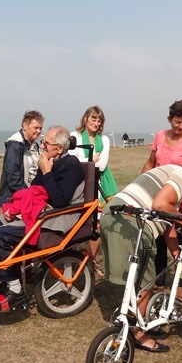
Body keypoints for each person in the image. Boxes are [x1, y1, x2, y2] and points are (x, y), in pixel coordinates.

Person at [101, 159, 182, 352]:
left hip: (113, 213)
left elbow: (168, 226)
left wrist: (177, 254)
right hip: (131, 222)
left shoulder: (167, 174)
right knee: (146, 282)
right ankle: (136, 333)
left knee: (134, 278)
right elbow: (160, 204)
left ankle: (130, 318)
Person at [0, 126, 85, 312]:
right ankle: (7, 280)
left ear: (60, 149)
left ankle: (15, 288)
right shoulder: (48, 160)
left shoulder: (72, 166)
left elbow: (60, 200)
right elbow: (35, 191)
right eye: (43, 142)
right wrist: (15, 208)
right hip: (39, 212)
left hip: (55, 217)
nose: (42, 146)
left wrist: (46, 172)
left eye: (46, 143)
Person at [141, 99, 182, 286]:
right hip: (156, 195)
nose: (181, 126)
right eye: (177, 121)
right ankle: (159, 281)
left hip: (179, 199)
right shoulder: (160, 136)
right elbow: (151, 162)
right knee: (159, 240)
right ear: (169, 119)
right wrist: (143, 184)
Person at [69, 105, 119, 278]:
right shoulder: (74, 136)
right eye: (93, 119)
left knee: (96, 225)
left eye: (99, 120)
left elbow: (102, 165)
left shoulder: (103, 140)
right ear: (85, 119)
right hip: (78, 185)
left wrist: (83, 159)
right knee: (78, 221)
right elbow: (71, 161)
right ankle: (77, 258)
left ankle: (94, 260)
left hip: (100, 185)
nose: (96, 123)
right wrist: (91, 158)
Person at [0, 110, 44, 207]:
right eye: (36, 128)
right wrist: (29, 194)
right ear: (25, 125)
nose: (39, 131)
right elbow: (13, 176)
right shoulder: (15, 145)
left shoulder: (35, 145)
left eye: (40, 128)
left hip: (28, 196)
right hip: (14, 198)